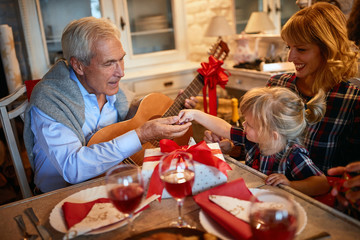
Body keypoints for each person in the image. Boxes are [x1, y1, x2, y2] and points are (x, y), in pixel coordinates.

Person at [23, 17, 197, 193]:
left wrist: (173, 113)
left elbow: (133, 122)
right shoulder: (50, 99)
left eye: (121, 59)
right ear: (78, 66)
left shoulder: (114, 91)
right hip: (58, 197)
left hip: (110, 185)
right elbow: (72, 168)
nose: (121, 72)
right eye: (109, 63)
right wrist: (141, 135)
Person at [178, 87, 330, 196]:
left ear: (273, 134)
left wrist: (290, 184)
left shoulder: (294, 154)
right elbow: (224, 128)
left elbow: (321, 183)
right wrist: (195, 114)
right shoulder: (254, 139)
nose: (244, 125)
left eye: (249, 124)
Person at [266, 2, 360, 173]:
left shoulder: (352, 101)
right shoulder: (276, 85)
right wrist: (232, 145)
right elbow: (259, 142)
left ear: (328, 49)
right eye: (289, 47)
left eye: (301, 49)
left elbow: (348, 173)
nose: (290, 57)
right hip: (269, 190)